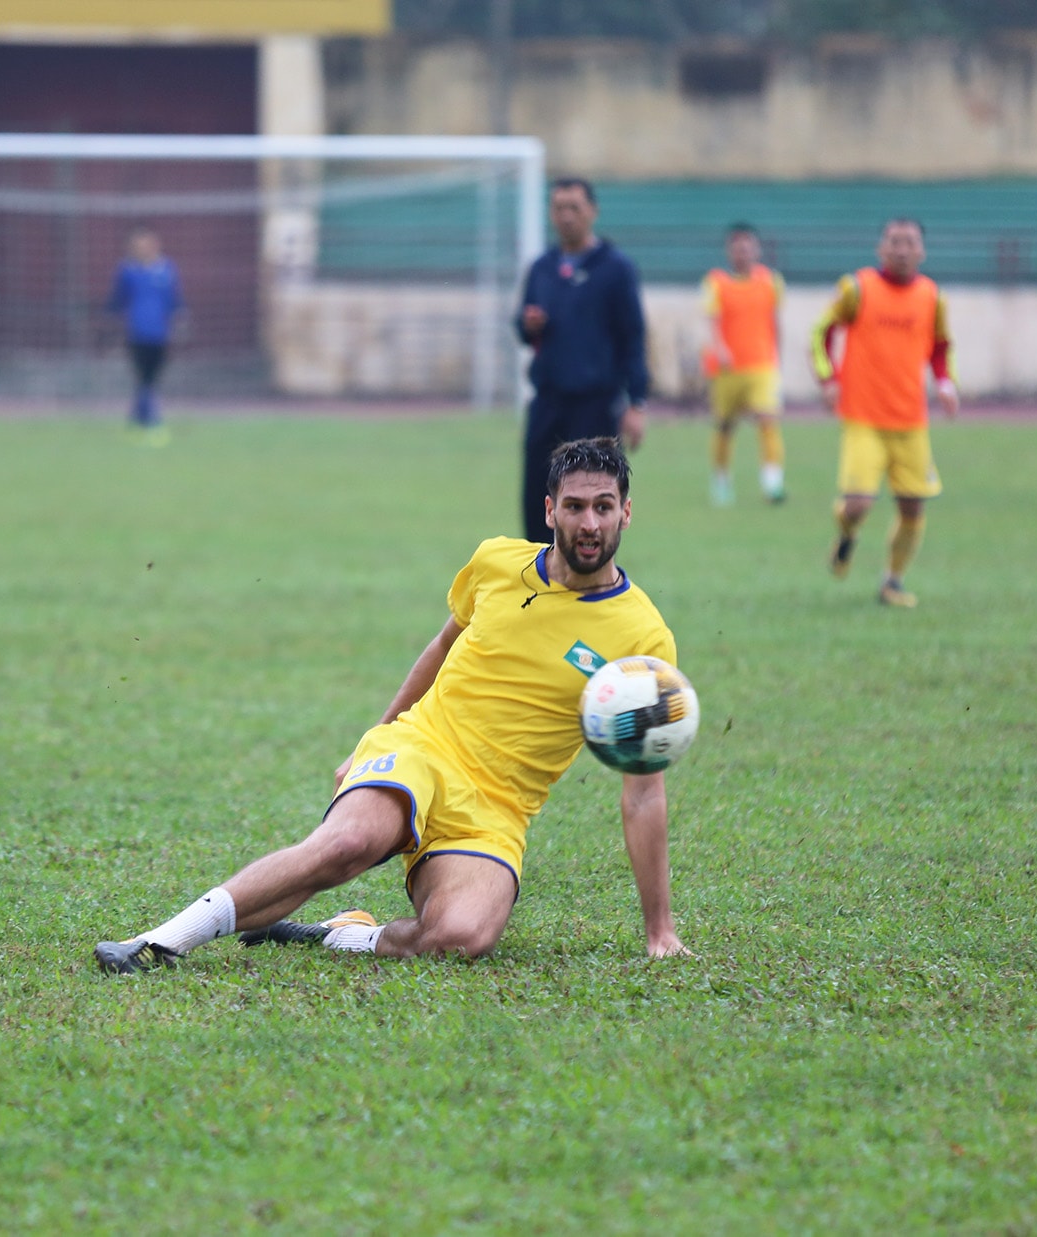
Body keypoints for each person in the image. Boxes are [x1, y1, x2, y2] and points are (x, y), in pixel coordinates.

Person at [94, 437, 690, 973]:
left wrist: (659, 930)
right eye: (576, 506)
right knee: (345, 847)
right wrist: (372, 740)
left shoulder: (642, 640)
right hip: (421, 749)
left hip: (498, 808)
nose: (590, 523)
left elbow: (643, 791)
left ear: (626, 513)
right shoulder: (497, 563)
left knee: (461, 938)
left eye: (604, 507)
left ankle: (344, 935)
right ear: (549, 511)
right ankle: (159, 941)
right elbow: (442, 644)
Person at [810, 218, 959, 608]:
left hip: (911, 422)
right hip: (864, 419)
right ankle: (846, 535)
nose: (902, 249)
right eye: (894, 241)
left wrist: (945, 383)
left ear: (922, 251)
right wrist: (829, 379)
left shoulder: (931, 297)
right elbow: (821, 333)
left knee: (913, 505)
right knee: (858, 504)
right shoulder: (857, 289)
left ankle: (892, 581)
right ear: (881, 248)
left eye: (910, 242)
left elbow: (940, 347)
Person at [514, 178, 649, 544]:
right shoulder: (542, 267)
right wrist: (528, 325)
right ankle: (540, 581)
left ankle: (593, 587)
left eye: (574, 207)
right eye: (559, 208)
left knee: (593, 498)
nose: (566, 216)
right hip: (548, 401)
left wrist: (636, 401)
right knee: (537, 498)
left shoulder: (615, 268)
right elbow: (522, 328)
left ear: (592, 211)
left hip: (596, 404)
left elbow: (633, 336)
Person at [701, 223, 787, 506]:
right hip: (727, 368)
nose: (743, 253)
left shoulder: (771, 281)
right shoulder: (716, 282)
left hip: (761, 365)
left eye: (748, 247)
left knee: (767, 420)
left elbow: (776, 322)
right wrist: (720, 347)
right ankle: (721, 480)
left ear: (756, 249)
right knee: (725, 426)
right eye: (737, 248)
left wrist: (778, 357)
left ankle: (772, 483)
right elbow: (712, 320)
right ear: (729, 251)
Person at [107, 225, 183, 443]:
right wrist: (109, 321)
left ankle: (135, 421)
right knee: (145, 379)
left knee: (150, 379)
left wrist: (180, 316)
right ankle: (154, 422)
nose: (145, 249)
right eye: (139, 246)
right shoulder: (127, 271)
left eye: (148, 245)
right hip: (136, 333)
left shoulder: (167, 269)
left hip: (160, 333)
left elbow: (174, 299)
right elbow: (118, 299)